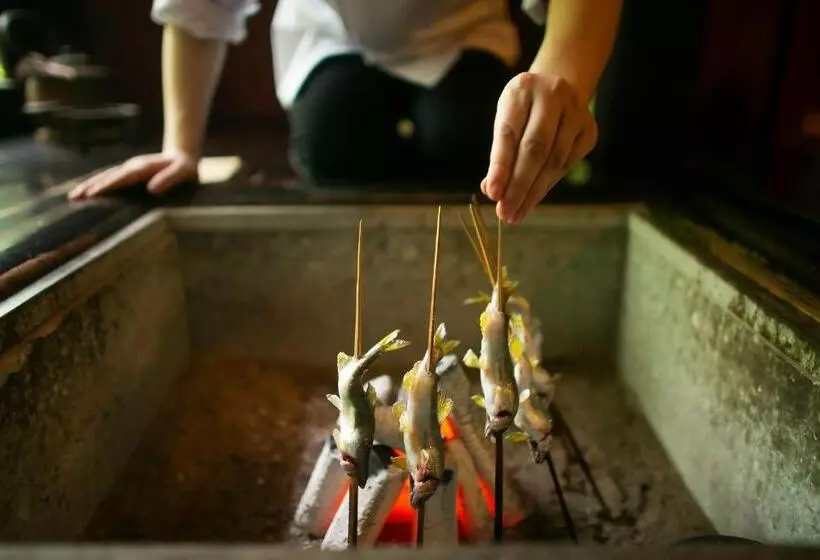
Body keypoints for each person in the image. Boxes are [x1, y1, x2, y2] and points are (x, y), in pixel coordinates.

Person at [68, 0, 622, 224]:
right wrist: (179, 148)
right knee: (339, 136)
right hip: (329, 37)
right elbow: (200, 8)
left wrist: (562, 76)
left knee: (469, 143)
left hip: (462, 29)